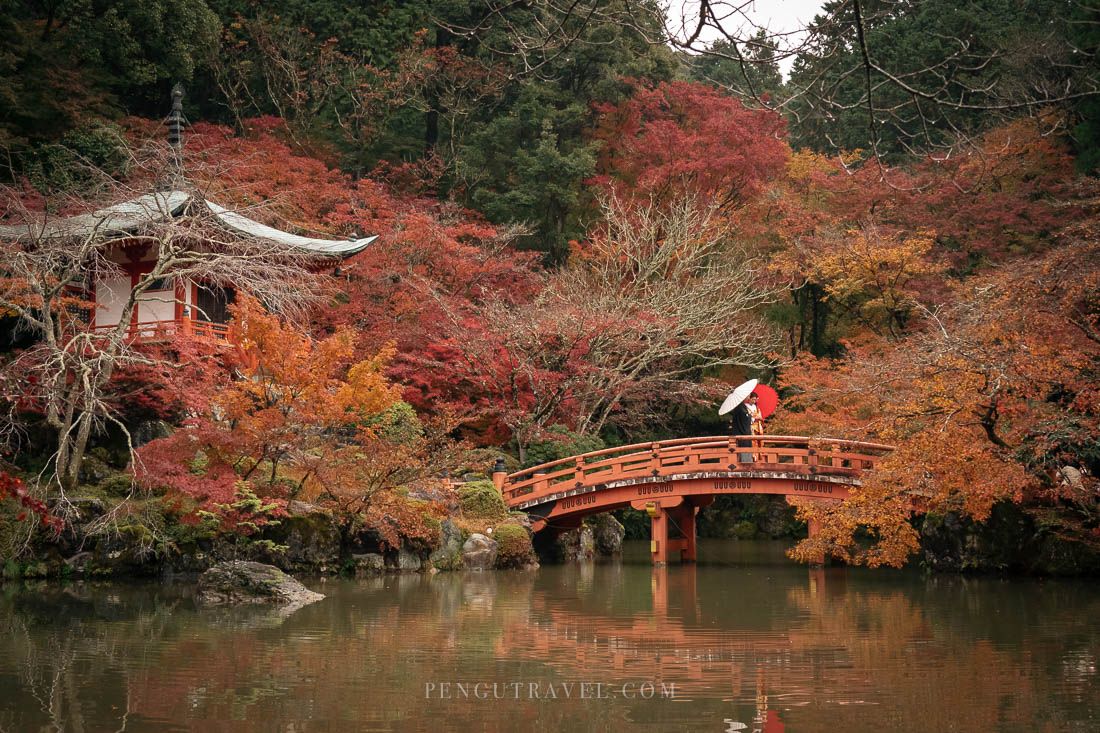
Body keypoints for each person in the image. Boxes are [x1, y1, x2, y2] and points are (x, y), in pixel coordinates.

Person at [731, 397, 754, 463]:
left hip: (740, 433)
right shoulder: (740, 407)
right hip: (743, 434)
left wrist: (748, 415)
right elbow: (745, 420)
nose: (749, 398)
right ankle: (746, 466)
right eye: (748, 396)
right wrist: (749, 416)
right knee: (745, 450)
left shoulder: (741, 406)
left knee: (742, 451)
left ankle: (744, 464)